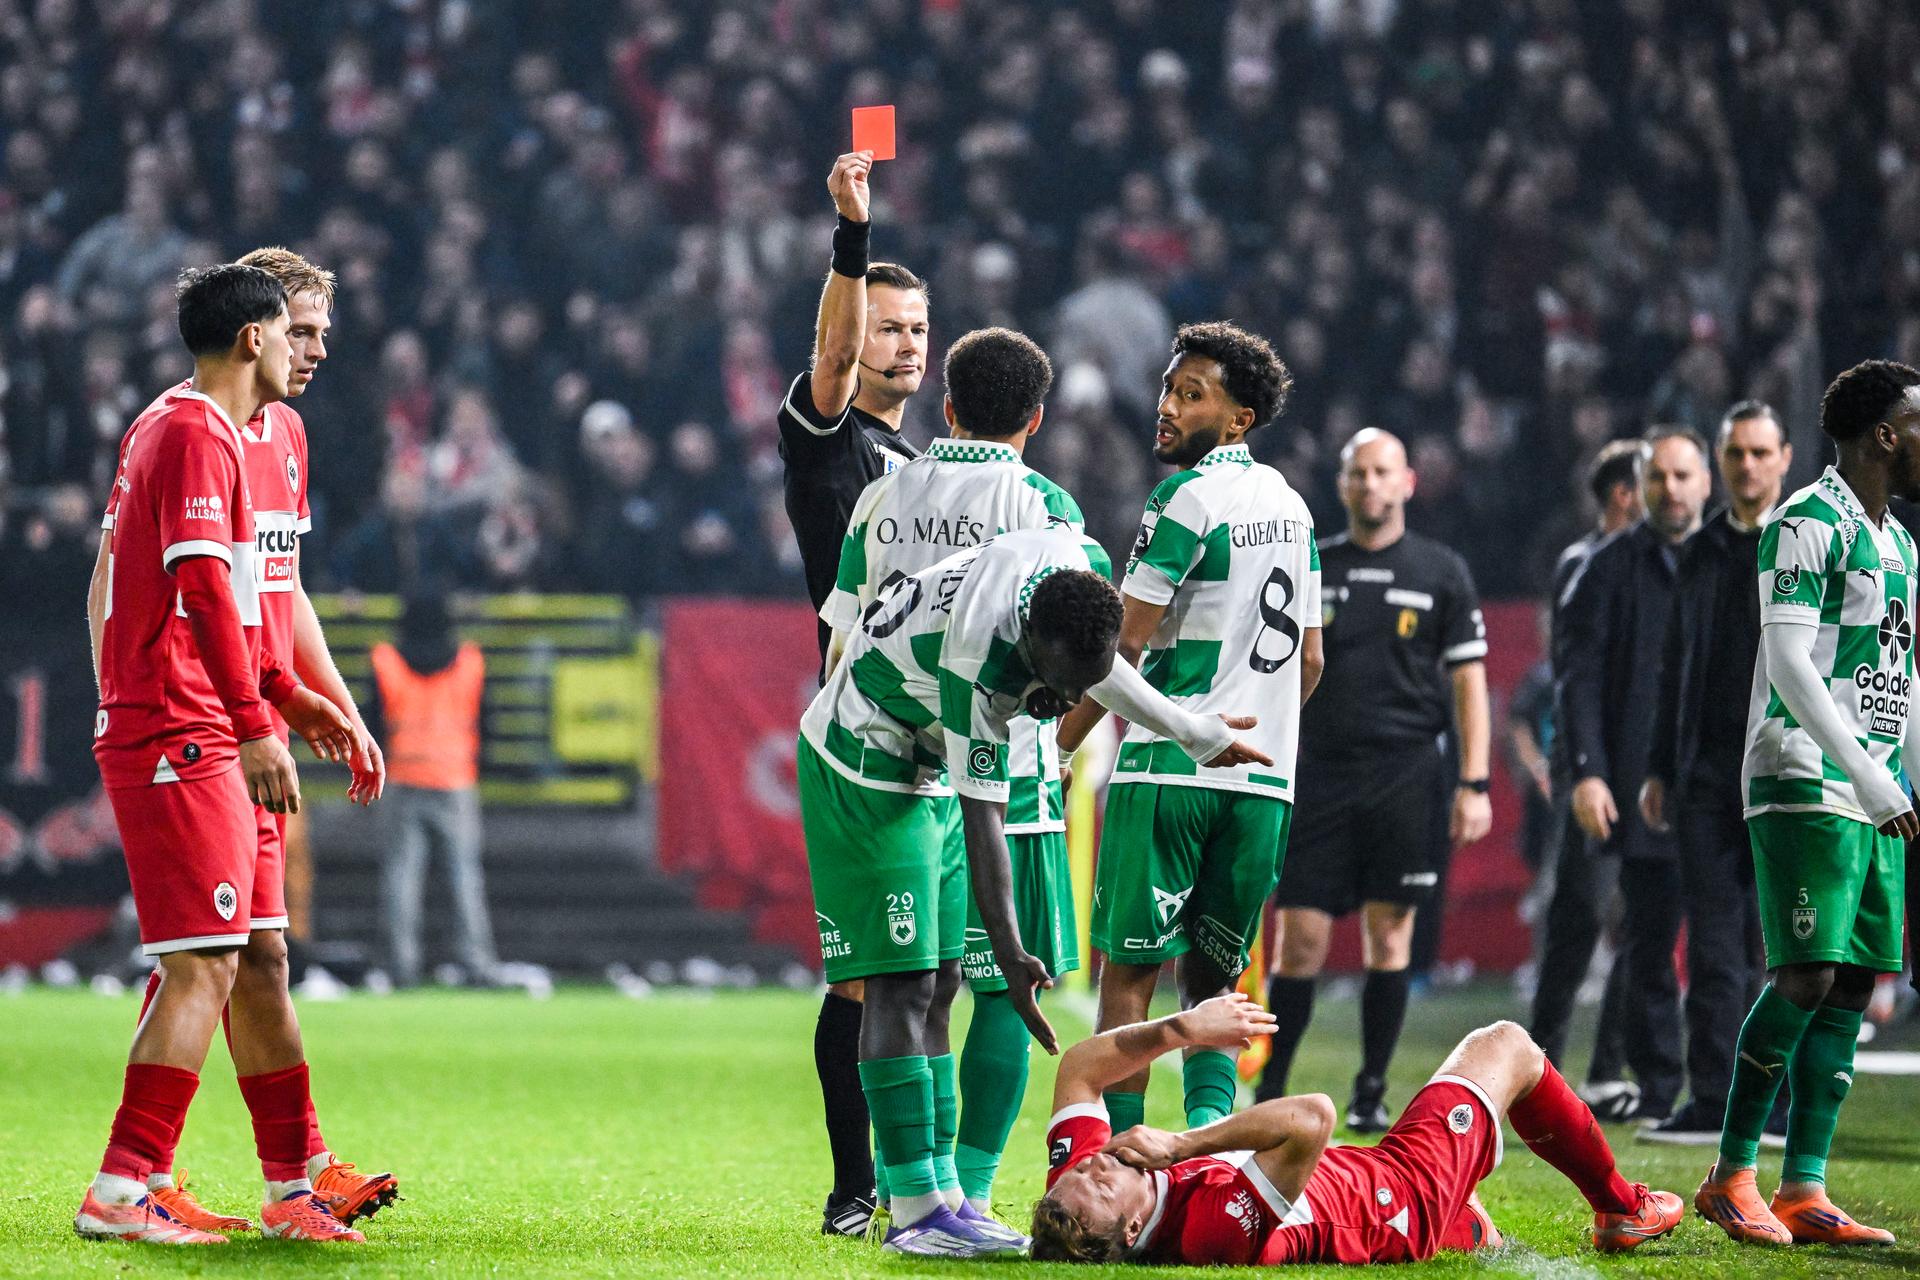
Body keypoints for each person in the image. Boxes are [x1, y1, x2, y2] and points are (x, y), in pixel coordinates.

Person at [798, 524, 1271, 1256]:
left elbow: (1099, 664)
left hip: (915, 760)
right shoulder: (978, 661)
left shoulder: (1068, 586)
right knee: (901, 980)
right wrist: (1014, 955)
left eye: (1077, 688)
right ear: (1031, 643)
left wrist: (1191, 731)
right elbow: (985, 819)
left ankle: (946, 1196)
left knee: (943, 975)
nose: (1063, 701)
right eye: (1056, 683)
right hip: (864, 756)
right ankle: (918, 1214)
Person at [76, 264, 358, 1246]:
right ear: (255, 335)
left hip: (208, 716)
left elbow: (251, 595)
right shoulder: (191, 431)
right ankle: (123, 1184)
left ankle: (284, 1178)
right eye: (299, 330)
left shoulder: (246, 434)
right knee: (201, 960)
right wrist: (254, 721)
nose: (311, 349)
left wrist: (294, 697)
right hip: (178, 725)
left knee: (243, 954)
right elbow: (195, 586)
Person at [820, 326, 1080, 1227]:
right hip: (1012, 771)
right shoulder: (1045, 504)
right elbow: (1079, 647)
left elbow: (842, 642)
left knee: (916, 980)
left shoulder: (881, 497)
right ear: (1036, 418)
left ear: (950, 405)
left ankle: (914, 1187)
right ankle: (960, 1194)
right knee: (1012, 982)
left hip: (891, 759)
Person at [1058, 322, 1322, 1141]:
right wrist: (1263, 723)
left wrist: (1058, 744)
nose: (1165, 407)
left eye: (1190, 394)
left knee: (1130, 975)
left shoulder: (1184, 499)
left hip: (1168, 775)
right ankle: (1210, 1149)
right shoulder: (1294, 506)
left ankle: (1123, 1156)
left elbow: (1120, 645)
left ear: (1239, 418)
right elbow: (1311, 659)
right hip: (1262, 787)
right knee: (1218, 983)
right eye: (1168, 389)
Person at [1696, 360, 1920, 1248]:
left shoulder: (1901, 544)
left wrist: (1909, 773)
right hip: (1803, 773)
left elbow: (1901, 679)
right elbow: (1789, 662)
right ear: (1886, 435)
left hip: (1874, 786)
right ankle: (1732, 1172)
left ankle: (1806, 1188)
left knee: (1855, 982)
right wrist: (1869, 774)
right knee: (1807, 973)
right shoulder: (1804, 522)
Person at [1030, 994, 1685, 1264]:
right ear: (1136, 1230)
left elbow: (1082, 1068)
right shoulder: (1211, 1232)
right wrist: (1178, 1145)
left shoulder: (1074, 1197)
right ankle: (1621, 1208)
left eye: (1085, 1166)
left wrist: (1183, 1029)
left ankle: (1469, 1220)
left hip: (1364, 1179)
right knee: (1506, 1044)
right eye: (1105, 1184)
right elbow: (1311, 1117)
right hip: (1400, 1195)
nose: (1098, 1165)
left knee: (1461, 1177)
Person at [1255, 428, 1491, 1131]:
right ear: (1342, 483)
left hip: (1407, 774)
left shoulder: (1442, 570)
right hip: (1320, 776)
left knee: (1390, 938)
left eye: (1382, 471)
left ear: (1407, 482)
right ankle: (1271, 1084)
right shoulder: (1310, 564)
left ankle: (1371, 1087)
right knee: (1299, 939)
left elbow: (1469, 683)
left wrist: (1473, 783)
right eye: (1357, 472)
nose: (1369, 484)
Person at [776, 147, 928, 1238]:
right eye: (889, 327)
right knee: (869, 974)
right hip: (857, 732)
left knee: (924, 968)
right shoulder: (825, 438)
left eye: (918, 329)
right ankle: (853, 1183)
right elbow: (829, 345)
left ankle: (921, 1179)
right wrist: (853, 239)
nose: (904, 343)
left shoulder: (920, 461)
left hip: (932, 731)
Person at [1637, 402, 1792, 1146]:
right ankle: (1713, 1099)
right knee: (1713, 943)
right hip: (1706, 776)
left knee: (1784, 947)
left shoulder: (1804, 549)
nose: (1749, 466)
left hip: (1786, 774)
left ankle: (1776, 1106)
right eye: (1737, 454)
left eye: (1761, 452)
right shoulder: (1698, 554)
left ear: (1785, 457)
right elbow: (1676, 668)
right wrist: (1661, 766)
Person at [1553, 426, 1714, 1126]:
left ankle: (1724, 1090)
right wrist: (1586, 774)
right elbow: (1576, 682)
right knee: (1648, 941)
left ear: (1704, 482)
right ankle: (1658, 1089)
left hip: (1720, 785)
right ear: (1640, 486)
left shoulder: (1736, 562)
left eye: (1684, 476)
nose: (1672, 490)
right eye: (1660, 477)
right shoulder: (1605, 568)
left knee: (1727, 946)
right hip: (1637, 790)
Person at [1527, 441, 1645, 1113]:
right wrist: (1580, 773)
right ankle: (1537, 1068)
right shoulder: (1583, 565)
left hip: (1643, 777)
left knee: (1641, 924)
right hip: (1594, 777)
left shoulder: (1664, 562)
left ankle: (1607, 1070)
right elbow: (1573, 684)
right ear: (1625, 493)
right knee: (1577, 926)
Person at [368, 592, 496, 989]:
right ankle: (476, 963)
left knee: (401, 879)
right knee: (465, 879)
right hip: (456, 780)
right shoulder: (470, 661)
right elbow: (487, 724)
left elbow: (370, 724)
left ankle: (400, 967)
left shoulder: (385, 661)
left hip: (402, 778)